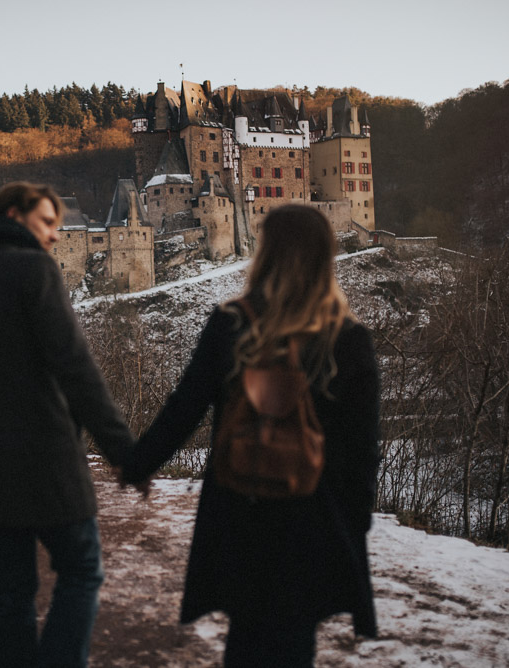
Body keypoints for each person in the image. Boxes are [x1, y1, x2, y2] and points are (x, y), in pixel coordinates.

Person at [121, 204, 380, 667]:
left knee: (246, 636)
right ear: (324, 257)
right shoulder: (347, 337)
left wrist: (140, 465)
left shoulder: (231, 323)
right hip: (312, 514)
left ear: (266, 254)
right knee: (294, 638)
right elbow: (361, 451)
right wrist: (354, 525)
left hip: (240, 505)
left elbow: (184, 408)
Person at [0, 182, 135, 668]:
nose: (56, 237)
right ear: (14, 214)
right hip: (48, 458)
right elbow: (75, 368)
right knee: (81, 570)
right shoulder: (33, 270)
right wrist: (122, 450)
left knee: (12, 587)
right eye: (47, 223)